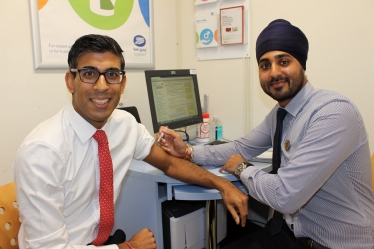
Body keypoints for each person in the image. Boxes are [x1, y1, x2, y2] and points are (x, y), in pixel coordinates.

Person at [12, 34, 249, 249]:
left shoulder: (124, 125)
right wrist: (128, 248)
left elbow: (169, 164)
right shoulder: (41, 152)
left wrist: (222, 184)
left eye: (112, 75)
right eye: (89, 73)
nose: (102, 86)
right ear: (70, 81)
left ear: (123, 83)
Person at [158, 19, 374, 249]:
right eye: (265, 65)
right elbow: (239, 148)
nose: (274, 73)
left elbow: (285, 196)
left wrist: (242, 169)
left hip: (336, 244)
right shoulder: (280, 113)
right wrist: (188, 151)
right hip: (293, 234)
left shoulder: (333, 112)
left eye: (283, 61)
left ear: (301, 63)